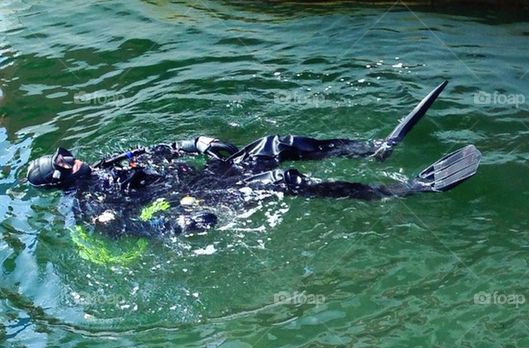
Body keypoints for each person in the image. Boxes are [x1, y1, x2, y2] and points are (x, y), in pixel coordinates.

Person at [25, 81, 481, 237]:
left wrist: (195, 143)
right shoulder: (88, 209)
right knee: (287, 181)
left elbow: (157, 150)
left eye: (64, 153)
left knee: (276, 143)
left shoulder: (105, 163)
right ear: (58, 184)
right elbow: (133, 230)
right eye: (62, 165)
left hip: (206, 173)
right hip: (198, 198)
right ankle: (393, 192)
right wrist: (176, 225)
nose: (70, 160)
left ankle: (372, 149)